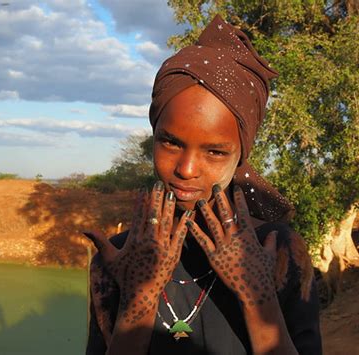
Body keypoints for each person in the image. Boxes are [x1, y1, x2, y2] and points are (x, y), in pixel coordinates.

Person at [84, 15, 322, 355]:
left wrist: (259, 299)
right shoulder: (123, 257)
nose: (187, 169)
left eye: (215, 151)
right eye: (171, 142)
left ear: (241, 154)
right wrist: (139, 299)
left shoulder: (278, 252)